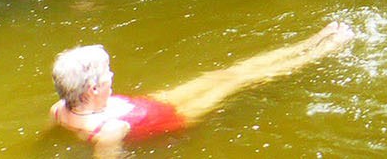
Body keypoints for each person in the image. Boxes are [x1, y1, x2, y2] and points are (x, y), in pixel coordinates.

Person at [48, 21, 354, 157]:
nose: (112, 75)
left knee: (229, 72)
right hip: (176, 116)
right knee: (242, 81)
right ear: (91, 88)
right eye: (107, 74)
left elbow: (50, 135)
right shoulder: (108, 131)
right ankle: (322, 51)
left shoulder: (60, 110)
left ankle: (310, 41)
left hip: (149, 103)